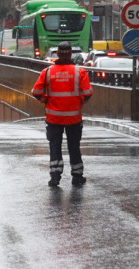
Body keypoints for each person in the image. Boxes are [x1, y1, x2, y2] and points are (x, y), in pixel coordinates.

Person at [31, 42, 93, 188]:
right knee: (74, 147)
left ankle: (55, 177)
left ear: (57, 54)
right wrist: (79, 103)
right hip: (74, 118)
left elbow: (36, 92)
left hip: (54, 118)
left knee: (55, 146)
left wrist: (46, 101)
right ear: (71, 54)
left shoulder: (47, 72)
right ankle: (77, 176)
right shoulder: (80, 72)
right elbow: (88, 93)